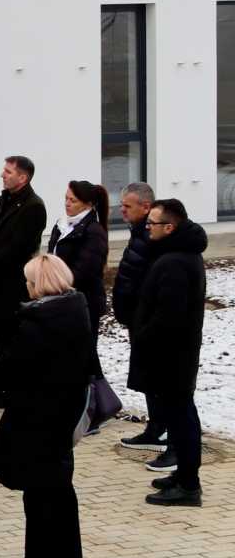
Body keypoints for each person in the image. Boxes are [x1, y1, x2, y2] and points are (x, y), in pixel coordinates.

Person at [0, 254, 91, 558]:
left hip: (37, 416)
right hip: (66, 413)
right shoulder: (77, 311)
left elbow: (15, 371)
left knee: (39, 493)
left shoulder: (37, 323)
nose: (26, 287)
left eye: (29, 281)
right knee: (61, 489)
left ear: (38, 284)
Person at [129, 199, 207, 506]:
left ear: (170, 227)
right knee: (180, 418)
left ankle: (188, 485)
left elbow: (168, 317)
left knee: (182, 418)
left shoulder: (175, 262)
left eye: (152, 223)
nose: (147, 228)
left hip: (172, 356)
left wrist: (143, 337)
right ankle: (184, 475)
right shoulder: (178, 255)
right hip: (175, 354)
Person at [0, 156, 47, 411]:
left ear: (23, 177)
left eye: (7, 172)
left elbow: (18, 247)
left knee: (15, 336)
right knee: (1, 336)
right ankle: (1, 389)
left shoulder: (33, 206)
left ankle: (16, 390)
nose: (2, 175)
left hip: (16, 283)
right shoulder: (2, 199)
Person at [111, 183, 168, 452]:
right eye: (121, 205)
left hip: (147, 321)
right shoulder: (139, 232)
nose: (121, 210)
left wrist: (142, 314)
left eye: (127, 206)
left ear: (146, 207)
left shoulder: (153, 236)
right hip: (137, 319)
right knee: (147, 376)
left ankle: (161, 429)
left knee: (156, 376)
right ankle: (156, 427)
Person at [47, 180, 110, 393]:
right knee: (69, 353)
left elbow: (85, 270)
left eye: (73, 200)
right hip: (61, 298)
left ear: (87, 204)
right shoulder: (62, 225)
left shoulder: (93, 231)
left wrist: (57, 283)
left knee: (86, 354)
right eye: (66, 198)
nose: (67, 203)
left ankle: (98, 399)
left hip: (84, 302)